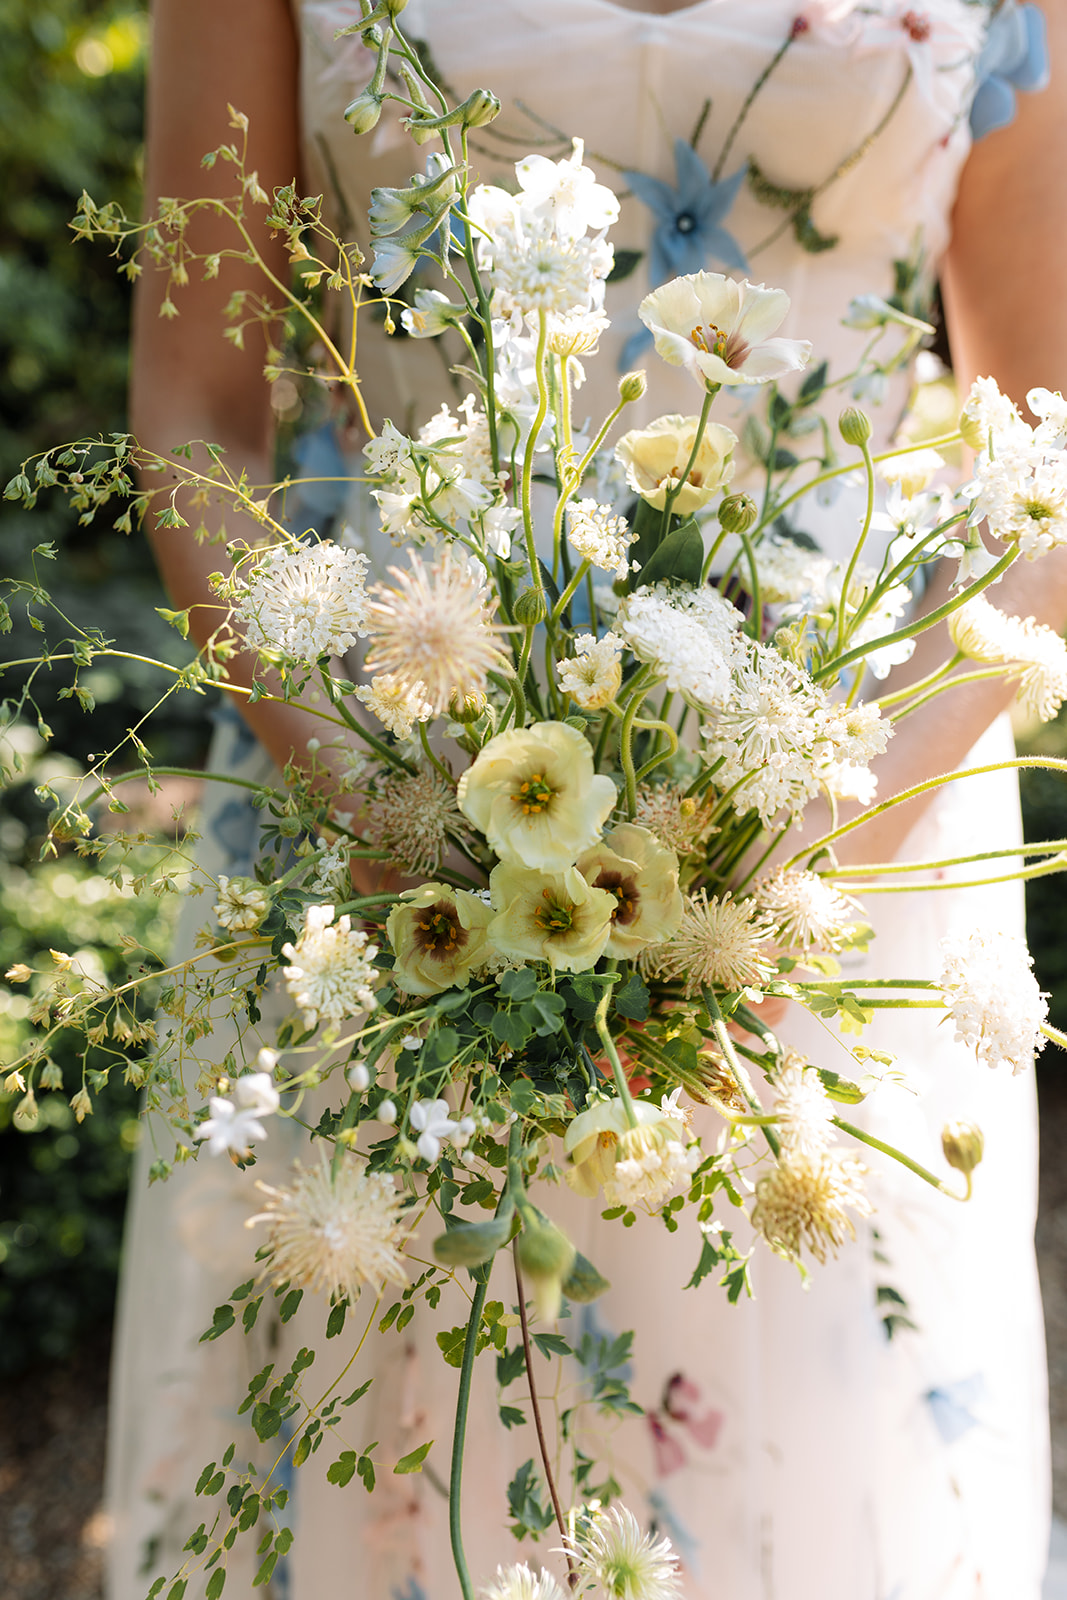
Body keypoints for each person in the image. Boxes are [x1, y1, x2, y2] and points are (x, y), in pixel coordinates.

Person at [106, 2, 1067, 1596]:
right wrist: (390, 806)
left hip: (849, 829)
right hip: (376, 804)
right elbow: (195, 409)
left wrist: (798, 849)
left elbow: (1053, 439)